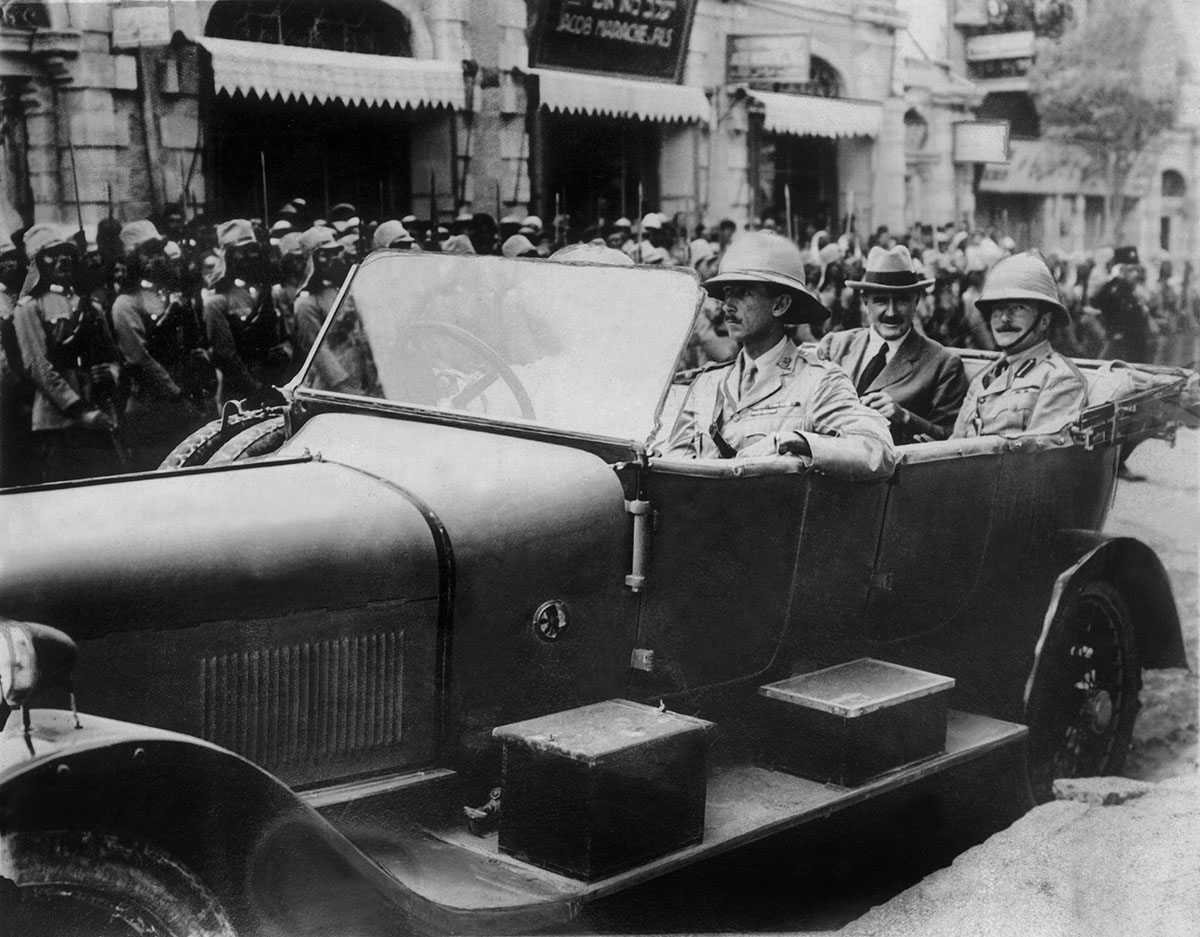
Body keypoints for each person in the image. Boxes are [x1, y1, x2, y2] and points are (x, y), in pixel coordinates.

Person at [663, 232, 895, 481]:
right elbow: (672, 471)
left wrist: (793, 441)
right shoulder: (707, 385)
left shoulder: (818, 382)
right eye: (728, 292)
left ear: (780, 305)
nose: (727, 304)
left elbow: (877, 450)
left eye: (743, 293)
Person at [821, 245, 967, 443]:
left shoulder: (943, 364)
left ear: (916, 301)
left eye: (902, 301)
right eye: (881, 301)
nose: (891, 312)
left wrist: (905, 418)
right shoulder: (835, 346)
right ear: (865, 301)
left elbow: (952, 440)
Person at [13, 224, 123, 481]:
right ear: (38, 263)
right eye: (51, 255)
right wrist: (80, 410)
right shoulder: (29, 308)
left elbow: (111, 353)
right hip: (59, 420)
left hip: (99, 409)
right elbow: (37, 366)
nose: (62, 260)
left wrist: (112, 373)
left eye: (65, 253)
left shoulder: (88, 305)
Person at [110, 220, 212, 470]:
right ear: (134, 259)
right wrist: (177, 396)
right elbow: (140, 359)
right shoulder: (125, 304)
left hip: (183, 402)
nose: (156, 260)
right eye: (148, 254)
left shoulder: (168, 296)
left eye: (159, 252)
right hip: (151, 407)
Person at [952, 252, 1087, 439]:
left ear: (1044, 320)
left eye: (1018, 308)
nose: (1005, 318)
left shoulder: (1059, 378)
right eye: (998, 308)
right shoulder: (983, 378)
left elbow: (1033, 457)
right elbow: (955, 443)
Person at [203, 218, 286, 406]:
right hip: (241, 394)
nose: (251, 256)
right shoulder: (217, 302)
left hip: (274, 384)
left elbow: (284, 336)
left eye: (252, 250)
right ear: (229, 256)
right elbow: (226, 355)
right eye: (242, 252)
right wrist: (256, 388)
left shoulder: (267, 292)